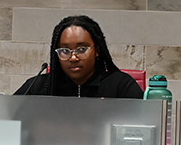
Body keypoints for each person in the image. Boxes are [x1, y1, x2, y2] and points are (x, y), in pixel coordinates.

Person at [14, 15, 143, 99]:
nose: (73, 58)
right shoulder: (39, 86)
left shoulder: (120, 86)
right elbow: (8, 119)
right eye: (65, 50)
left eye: (81, 49)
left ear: (96, 50)